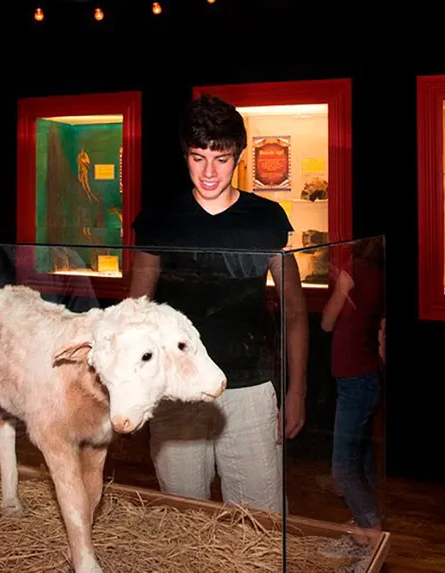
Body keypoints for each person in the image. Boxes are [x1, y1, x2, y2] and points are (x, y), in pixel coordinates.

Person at [128, 94, 309, 514]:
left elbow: (295, 313)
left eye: (221, 158)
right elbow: (135, 313)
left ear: (238, 156)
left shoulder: (265, 218)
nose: (209, 171)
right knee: (184, 517)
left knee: (258, 522)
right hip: (175, 390)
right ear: (185, 155)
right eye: (198, 157)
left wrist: (296, 389)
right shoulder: (161, 218)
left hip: (248, 388)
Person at [320, 241, 386, 538]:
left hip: (354, 379)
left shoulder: (354, 270)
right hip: (367, 374)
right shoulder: (378, 272)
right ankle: (367, 521)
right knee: (363, 457)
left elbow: (326, 322)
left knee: (342, 468)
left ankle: (372, 532)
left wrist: (341, 286)